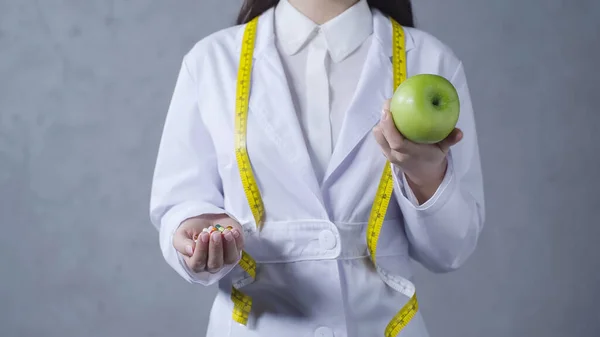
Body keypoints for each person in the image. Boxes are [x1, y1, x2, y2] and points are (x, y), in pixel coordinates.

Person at [149, 0, 485, 336]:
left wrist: (425, 174)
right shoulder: (211, 61)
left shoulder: (430, 61)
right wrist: (198, 235)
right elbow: (181, 204)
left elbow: (451, 250)